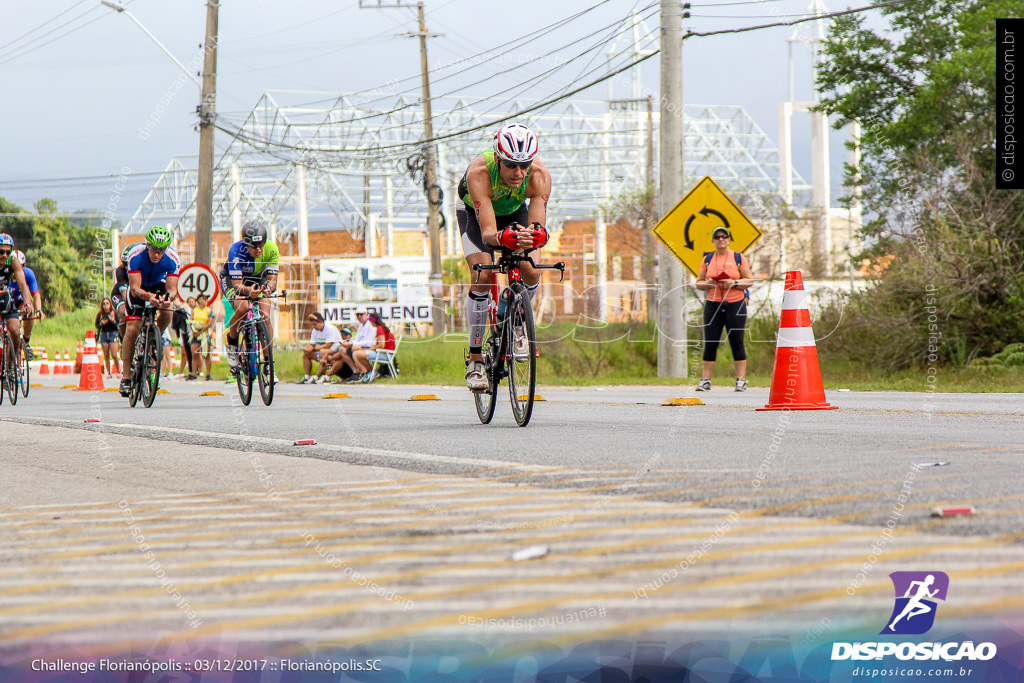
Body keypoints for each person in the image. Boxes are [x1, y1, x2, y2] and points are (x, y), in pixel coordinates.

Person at [456, 123, 551, 391]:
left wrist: (535, 237)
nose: (519, 172)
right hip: (474, 212)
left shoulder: (540, 176)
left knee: (531, 269)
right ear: (498, 159)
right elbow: (487, 233)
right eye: (511, 165)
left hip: (514, 210)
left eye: (524, 165)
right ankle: (475, 359)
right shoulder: (480, 172)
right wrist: (503, 238)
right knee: (483, 273)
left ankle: (515, 320)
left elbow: (537, 227)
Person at [119, 226, 181, 397]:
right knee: (132, 329)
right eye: (154, 249)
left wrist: (166, 299)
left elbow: (172, 289)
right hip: (139, 288)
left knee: (167, 311)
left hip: (157, 284)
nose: (157, 254)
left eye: (161, 250)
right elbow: (134, 288)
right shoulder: (135, 255)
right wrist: (148, 297)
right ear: (147, 246)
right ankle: (125, 378)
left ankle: (154, 337)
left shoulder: (173, 259)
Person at [694, 226, 754, 392]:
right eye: (717, 237)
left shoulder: (738, 257)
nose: (721, 240)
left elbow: (749, 280)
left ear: (729, 239)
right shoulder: (708, 259)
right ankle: (705, 379)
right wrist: (709, 283)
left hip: (735, 302)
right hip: (713, 302)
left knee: (736, 341)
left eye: (724, 237)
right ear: (713, 241)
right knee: (711, 341)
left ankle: (741, 380)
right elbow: (698, 283)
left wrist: (734, 283)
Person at [219, 220, 279, 372]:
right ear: (246, 244)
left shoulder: (271, 249)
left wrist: (268, 289)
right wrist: (248, 292)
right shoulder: (236, 251)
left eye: (261, 245)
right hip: (234, 280)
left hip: (259, 278)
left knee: (265, 315)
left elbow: (272, 281)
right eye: (254, 246)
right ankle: (232, 344)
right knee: (243, 308)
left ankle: (268, 363)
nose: (258, 249)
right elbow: (237, 285)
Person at [0, 234, 35, 362]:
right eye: (1, 251)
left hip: (5, 299)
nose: (4, 255)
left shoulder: (13, 260)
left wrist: (27, 302)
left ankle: (11, 363)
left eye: (8, 252)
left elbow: (23, 284)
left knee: (15, 330)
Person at [9, 250, 44, 358]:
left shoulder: (28, 274)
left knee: (29, 310)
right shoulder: (5, 274)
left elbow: (36, 294)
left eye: (21, 266)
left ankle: (26, 341)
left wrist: (39, 310)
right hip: (6, 301)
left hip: (20, 302)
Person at [336, 306, 379, 383]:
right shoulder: (360, 326)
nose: (359, 317)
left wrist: (353, 344)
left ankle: (365, 371)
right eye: (357, 315)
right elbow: (357, 340)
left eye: (361, 314)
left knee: (355, 348)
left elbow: (369, 342)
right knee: (342, 349)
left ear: (366, 314)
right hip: (362, 346)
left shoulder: (370, 325)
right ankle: (356, 371)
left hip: (370, 347)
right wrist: (349, 343)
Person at [111, 242, 144, 344]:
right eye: (124, 264)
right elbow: (125, 295)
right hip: (119, 294)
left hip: (136, 292)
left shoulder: (142, 268)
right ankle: (124, 341)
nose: (126, 267)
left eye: (128, 263)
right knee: (125, 313)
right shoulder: (120, 271)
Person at [352, 311, 397, 383]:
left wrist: (369, 349)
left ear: (372, 321)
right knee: (358, 354)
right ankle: (370, 372)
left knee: (356, 354)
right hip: (384, 353)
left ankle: (368, 372)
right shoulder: (380, 328)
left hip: (385, 355)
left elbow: (381, 345)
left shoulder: (379, 328)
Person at [301, 312, 343, 384]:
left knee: (323, 351)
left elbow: (328, 345)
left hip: (334, 352)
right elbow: (312, 344)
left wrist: (313, 349)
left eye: (315, 324)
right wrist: (307, 348)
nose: (313, 326)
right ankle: (307, 376)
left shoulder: (330, 328)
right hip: (323, 352)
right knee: (306, 354)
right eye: (312, 325)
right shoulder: (315, 330)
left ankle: (319, 376)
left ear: (321, 322)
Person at [188, 294, 216, 380]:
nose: (206, 300)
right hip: (196, 333)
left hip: (205, 334)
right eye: (204, 299)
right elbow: (191, 321)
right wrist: (194, 331)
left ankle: (208, 374)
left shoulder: (208, 310)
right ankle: (194, 373)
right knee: (195, 353)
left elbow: (209, 323)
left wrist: (201, 330)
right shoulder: (195, 310)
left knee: (207, 354)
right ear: (199, 300)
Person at [95, 297, 121, 378]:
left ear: (110, 304)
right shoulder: (100, 314)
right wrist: (102, 323)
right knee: (106, 354)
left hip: (113, 333)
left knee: (114, 354)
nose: (105, 305)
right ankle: (109, 373)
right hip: (104, 334)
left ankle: (118, 371)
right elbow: (97, 325)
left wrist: (112, 320)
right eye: (104, 304)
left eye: (107, 303)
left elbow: (118, 325)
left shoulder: (114, 313)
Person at [171, 295, 194, 378]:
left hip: (191, 333)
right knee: (185, 352)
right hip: (184, 332)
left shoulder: (187, 307)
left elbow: (177, 303)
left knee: (190, 352)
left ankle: (193, 371)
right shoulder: (183, 308)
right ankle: (186, 371)